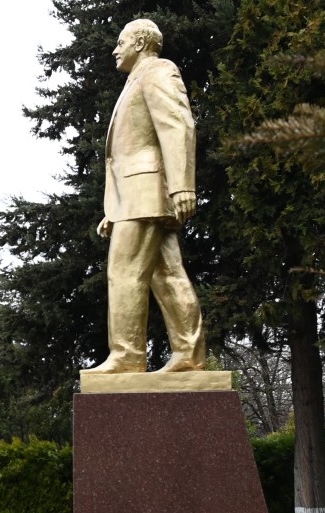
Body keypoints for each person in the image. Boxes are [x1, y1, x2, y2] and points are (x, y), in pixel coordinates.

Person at [91, 18, 206, 374]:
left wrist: (182, 186)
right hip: (136, 196)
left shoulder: (157, 71)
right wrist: (115, 209)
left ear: (140, 43)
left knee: (124, 271)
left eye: (121, 42)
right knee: (167, 274)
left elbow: (177, 126)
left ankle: (127, 356)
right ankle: (190, 355)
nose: (115, 50)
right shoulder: (136, 80)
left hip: (148, 191)